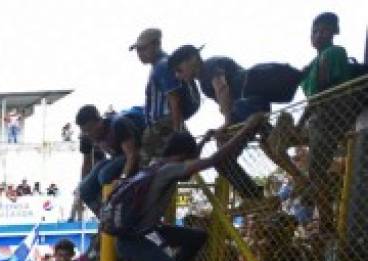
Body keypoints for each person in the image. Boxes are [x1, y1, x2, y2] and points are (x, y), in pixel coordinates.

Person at [107, 121, 264, 261]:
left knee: (197, 237)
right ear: (182, 156)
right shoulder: (167, 171)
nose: (190, 171)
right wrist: (246, 128)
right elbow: (213, 160)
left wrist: (204, 140)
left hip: (149, 230)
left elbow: (191, 162)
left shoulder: (155, 165)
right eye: (188, 161)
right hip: (132, 239)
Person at [167, 46, 304, 200]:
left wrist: (227, 122)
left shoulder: (208, 68)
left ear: (192, 59)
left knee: (223, 160)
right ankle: (298, 174)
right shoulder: (206, 76)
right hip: (253, 106)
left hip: (247, 107)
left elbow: (222, 88)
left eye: (179, 69)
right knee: (269, 144)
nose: (178, 75)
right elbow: (225, 97)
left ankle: (254, 198)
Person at [300, 12, 362, 234]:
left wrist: (301, 121)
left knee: (316, 173)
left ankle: (326, 221)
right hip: (317, 119)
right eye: (315, 31)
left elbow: (322, 91)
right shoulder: (310, 66)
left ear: (335, 32)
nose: (318, 34)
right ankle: (322, 216)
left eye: (324, 30)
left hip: (329, 116)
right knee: (314, 172)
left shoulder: (334, 53)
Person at [131, 28, 197, 164]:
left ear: (156, 44)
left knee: (148, 169)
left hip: (162, 125)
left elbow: (174, 99)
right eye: (137, 50)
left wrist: (177, 131)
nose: (139, 54)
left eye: (143, 49)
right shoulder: (160, 65)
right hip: (164, 123)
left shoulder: (162, 66)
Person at [74, 105, 143, 217]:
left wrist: (122, 179)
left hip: (134, 155)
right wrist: (81, 193)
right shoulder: (86, 137)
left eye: (91, 129)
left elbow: (132, 155)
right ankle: (105, 219)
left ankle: (121, 212)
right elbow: (86, 164)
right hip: (116, 158)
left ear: (99, 121)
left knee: (104, 175)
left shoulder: (118, 124)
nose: (89, 134)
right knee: (84, 189)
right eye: (85, 131)